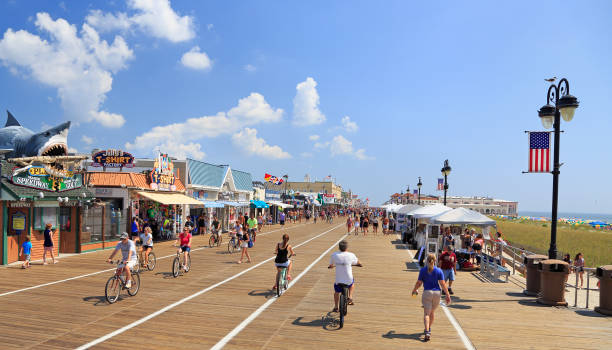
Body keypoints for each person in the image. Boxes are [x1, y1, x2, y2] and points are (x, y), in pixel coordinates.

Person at [411, 253, 451, 341]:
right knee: (432, 312)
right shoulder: (439, 271)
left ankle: (427, 331)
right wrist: (447, 295)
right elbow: (443, 284)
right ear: (435, 260)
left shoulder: (423, 270)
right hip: (437, 293)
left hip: (427, 293)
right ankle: (429, 328)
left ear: (426, 260)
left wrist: (414, 290)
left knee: (426, 314)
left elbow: (419, 283)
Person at [328, 240, 362, 312]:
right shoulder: (351, 255)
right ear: (347, 248)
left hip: (339, 279)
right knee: (352, 283)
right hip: (348, 279)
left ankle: (336, 307)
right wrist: (359, 264)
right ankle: (350, 297)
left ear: (339, 248)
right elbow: (358, 262)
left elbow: (331, 265)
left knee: (336, 292)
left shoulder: (334, 254)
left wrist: (331, 266)